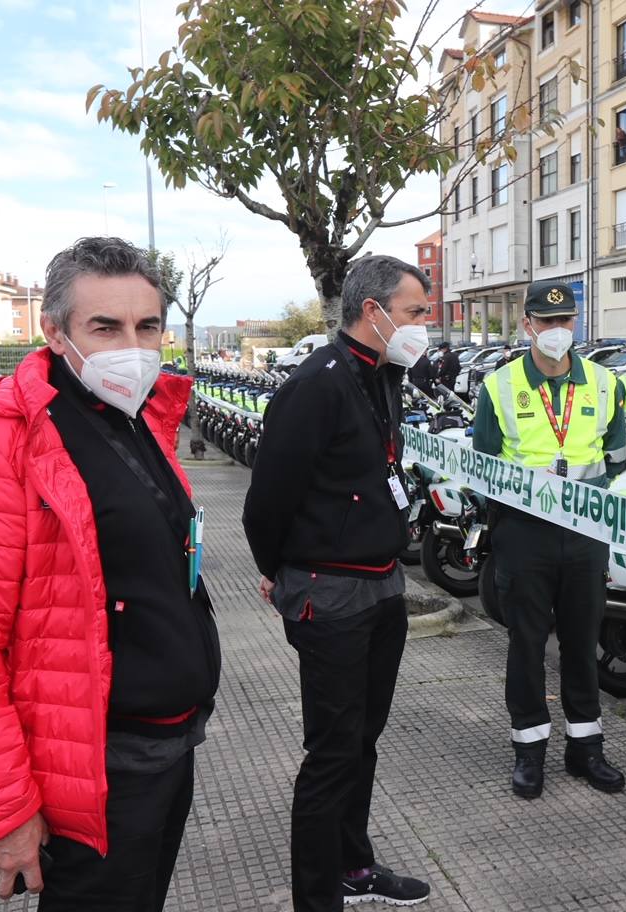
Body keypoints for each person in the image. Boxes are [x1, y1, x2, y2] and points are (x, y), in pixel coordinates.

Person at [0, 237, 221, 910]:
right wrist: (0, 814)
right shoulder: (3, 435)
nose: (130, 347)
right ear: (54, 331)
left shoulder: (138, 417)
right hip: (91, 772)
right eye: (104, 327)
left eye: (146, 326)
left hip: (167, 748)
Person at [243, 255, 432, 911]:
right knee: (331, 756)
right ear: (373, 312)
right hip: (332, 594)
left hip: (382, 586)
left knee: (363, 741)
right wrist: (280, 573)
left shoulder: (383, 374)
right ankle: (317, 899)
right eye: (414, 313)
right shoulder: (316, 384)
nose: (422, 326)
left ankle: (353, 865)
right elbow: (264, 504)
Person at [472, 280, 626, 799]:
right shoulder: (498, 386)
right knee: (527, 647)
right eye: (546, 322)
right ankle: (529, 750)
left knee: (584, 644)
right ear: (527, 326)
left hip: (586, 535)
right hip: (525, 535)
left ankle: (586, 748)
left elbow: (618, 460)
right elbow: (485, 466)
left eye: (565, 322)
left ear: (575, 323)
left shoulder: (607, 383)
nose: (557, 331)